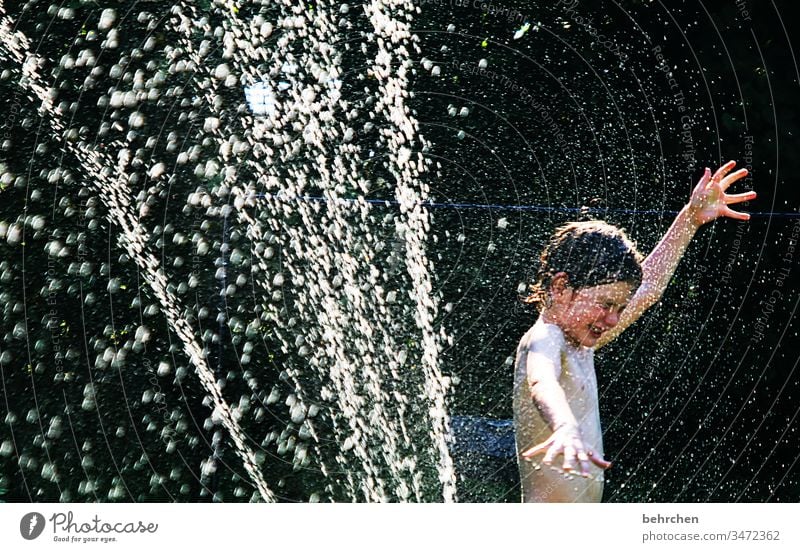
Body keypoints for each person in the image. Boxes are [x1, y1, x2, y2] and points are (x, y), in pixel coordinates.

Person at [513, 161, 756, 502]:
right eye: (605, 304)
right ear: (562, 287)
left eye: (618, 308)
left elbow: (651, 287)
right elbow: (543, 381)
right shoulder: (545, 338)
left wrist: (689, 219)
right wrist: (565, 426)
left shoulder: (579, 344)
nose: (612, 319)